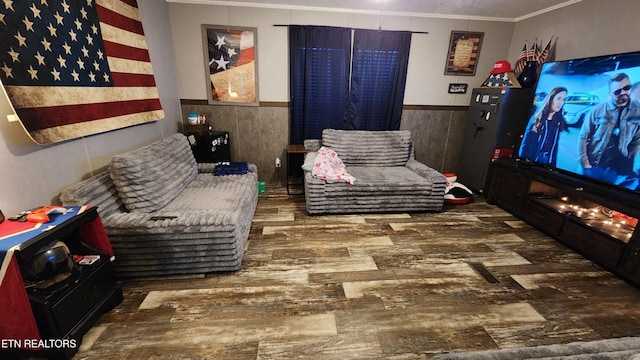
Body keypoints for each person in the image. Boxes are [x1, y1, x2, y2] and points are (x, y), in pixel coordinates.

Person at [578, 73, 640, 189]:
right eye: (617, 91)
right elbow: (583, 137)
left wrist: (629, 164)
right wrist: (584, 162)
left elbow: (636, 141)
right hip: (593, 167)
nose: (623, 93)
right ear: (610, 94)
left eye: (626, 88)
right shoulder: (597, 111)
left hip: (617, 173)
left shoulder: (637, 112)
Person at [519, 87, 568, 167]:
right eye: (559, 98)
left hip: (547, 160)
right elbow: (525, 143)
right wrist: (522, 162)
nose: (561, 102)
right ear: (551, 99)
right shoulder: (536, 119)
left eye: (563, 99)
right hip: (533, 160)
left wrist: (553, 166)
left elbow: (554, 146)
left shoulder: (559, 121)